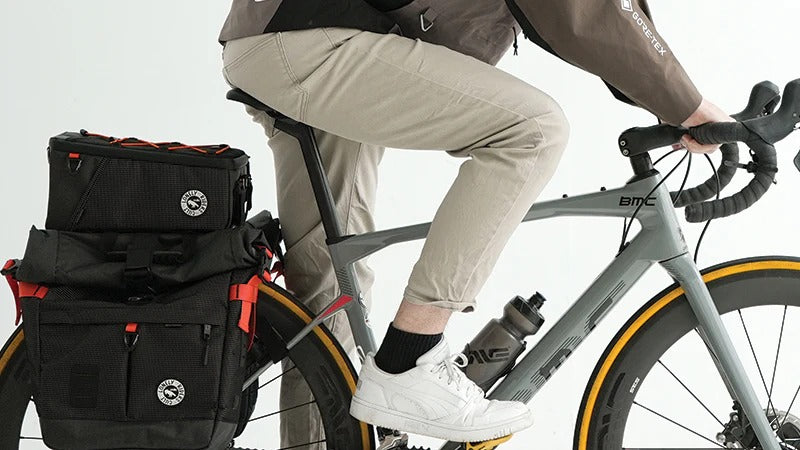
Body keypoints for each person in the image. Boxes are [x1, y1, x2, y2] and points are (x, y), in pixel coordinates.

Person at [218, 0, 732, 446]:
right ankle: (408, 359)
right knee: (533, 131)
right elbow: (575, 13)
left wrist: (668, 100)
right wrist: (686, 104)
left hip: (281, 36)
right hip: (316, 38)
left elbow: (595, 20)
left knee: (327, 297)